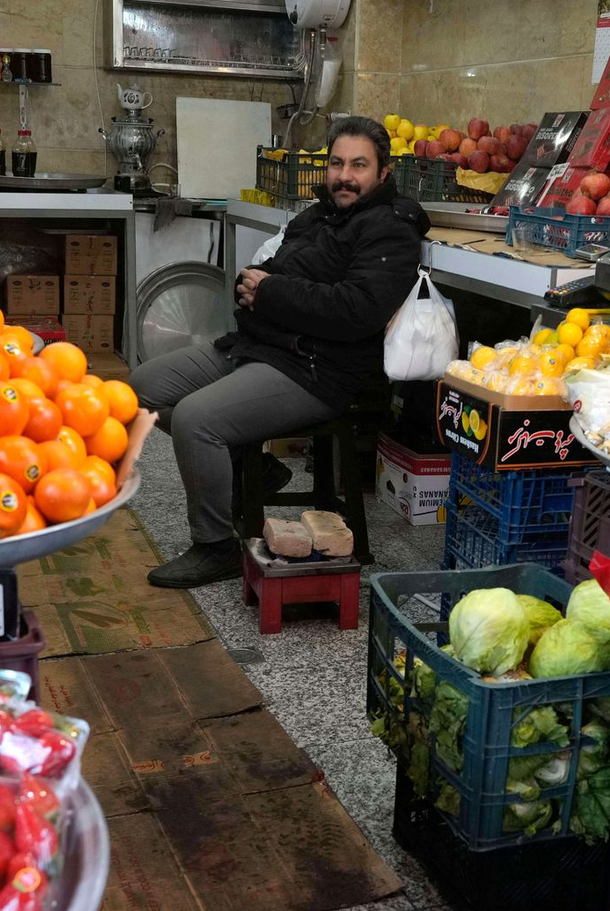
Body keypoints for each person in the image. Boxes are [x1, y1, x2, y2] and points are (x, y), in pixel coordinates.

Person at [130, 114, 430, 589]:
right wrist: (252, 285)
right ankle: (251, 467)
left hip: (316, 369)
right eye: (336, 163)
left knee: (195, 419)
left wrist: (269, 293)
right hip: (261, 345)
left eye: (359, 165)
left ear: (383, 173)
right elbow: (269, 270)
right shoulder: (317, 215)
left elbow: (356, 311)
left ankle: (215, 547)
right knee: (141, 390)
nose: (344, 176)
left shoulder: (390, 229)